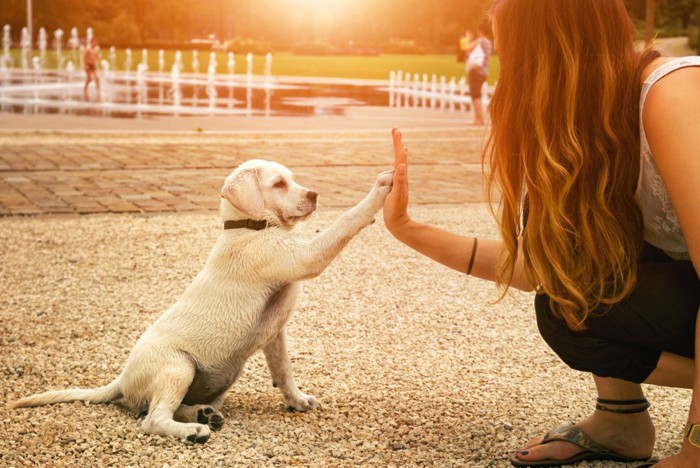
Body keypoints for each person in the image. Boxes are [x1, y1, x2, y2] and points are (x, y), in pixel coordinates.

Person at [382, 0, 700, 466]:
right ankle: (621, 422)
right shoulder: (586, 126)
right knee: (567, 307)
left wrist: (695, 452)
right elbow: (551, 273)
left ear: (552, 52)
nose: (505, 75)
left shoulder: (671, 93)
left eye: (513, 56)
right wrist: (408, 229)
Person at [463, 22, 493, 126]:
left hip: (476, 71)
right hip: (484, 72)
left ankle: (480, 119)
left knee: (475, 96)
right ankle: (478, 118)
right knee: (477, 95)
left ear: (481, 31)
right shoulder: (489, 43)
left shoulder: (480, 41)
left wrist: (468, 38)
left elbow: (466, 48)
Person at [83, 37, 100, 101]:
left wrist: (98, 57)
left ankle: (98, 90)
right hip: (87, 65)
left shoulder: (96, 49)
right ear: (92, 42)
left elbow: (97, 56)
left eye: (96, 42)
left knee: (97, 77)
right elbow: (84, 57)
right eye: (94, 42)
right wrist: (85, 65)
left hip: (93, 65)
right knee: (89, 78)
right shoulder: (88, 48)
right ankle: (85, 89)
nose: (95, 43)